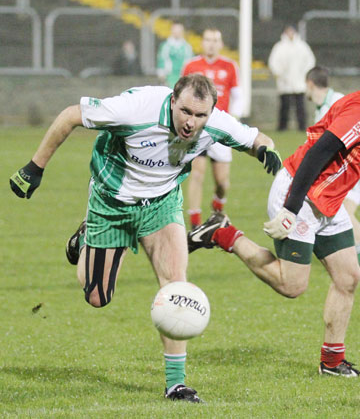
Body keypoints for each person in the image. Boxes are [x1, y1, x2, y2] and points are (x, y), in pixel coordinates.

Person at [9, 74, 282, 403]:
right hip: (111, 202)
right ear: (172, 100)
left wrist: (267, 150)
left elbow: (256, 139)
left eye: (200, 116)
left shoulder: (216, 124)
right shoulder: (136, 109)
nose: (191, 123)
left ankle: (176, 385)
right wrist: (35, 167)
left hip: (162, 204)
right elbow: (70, 115)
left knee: (176, 286)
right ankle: (86, 238)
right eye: (185, 112)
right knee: (97, 296)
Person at [188, 52, 360, 377]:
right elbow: (319, 151)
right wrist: (291, 208)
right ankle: (222, 232)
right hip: (298, 192)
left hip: (327, 203)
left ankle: (332, 363)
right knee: (291, 285)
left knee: (348, 277)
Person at [306, 66, 360, 274]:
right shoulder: (321, 109)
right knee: (320, 210)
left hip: (352, 168)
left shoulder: (338, 102)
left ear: (310, 84)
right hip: (336, 171)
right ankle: (332, 257)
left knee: (345, 212)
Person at [182, 28, 244, 229]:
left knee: (222, 182)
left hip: (220, 128)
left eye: (215, 40)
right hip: (197, 128)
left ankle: (218, 202)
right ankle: (195, 223)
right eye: (207, 39)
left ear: (221, 43)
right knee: (197, 173)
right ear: (202, 42)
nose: (211, 43)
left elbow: (237, 95)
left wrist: (234, 120)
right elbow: (181, 93)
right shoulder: (191, 65)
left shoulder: (229, 66)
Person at [268, 25, 316, 131]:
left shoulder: (302, 46)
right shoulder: (279, 47)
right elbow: (274, 62)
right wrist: (280, 74)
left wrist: (305, 75)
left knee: (300, 106)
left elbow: (309, 61)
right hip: (284, 82)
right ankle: (282, 127)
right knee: (284, 106)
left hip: (299, 81)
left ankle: (302, 127)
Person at [156, 22, 193, 88]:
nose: (177, 32)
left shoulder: (187, 47)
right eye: (175, 30)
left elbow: (190, 62)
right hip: (169, 78)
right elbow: (161, 61)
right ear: (171, 30)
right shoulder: (165, 46)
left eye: (179, 30)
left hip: (184, 78)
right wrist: (162, 76)